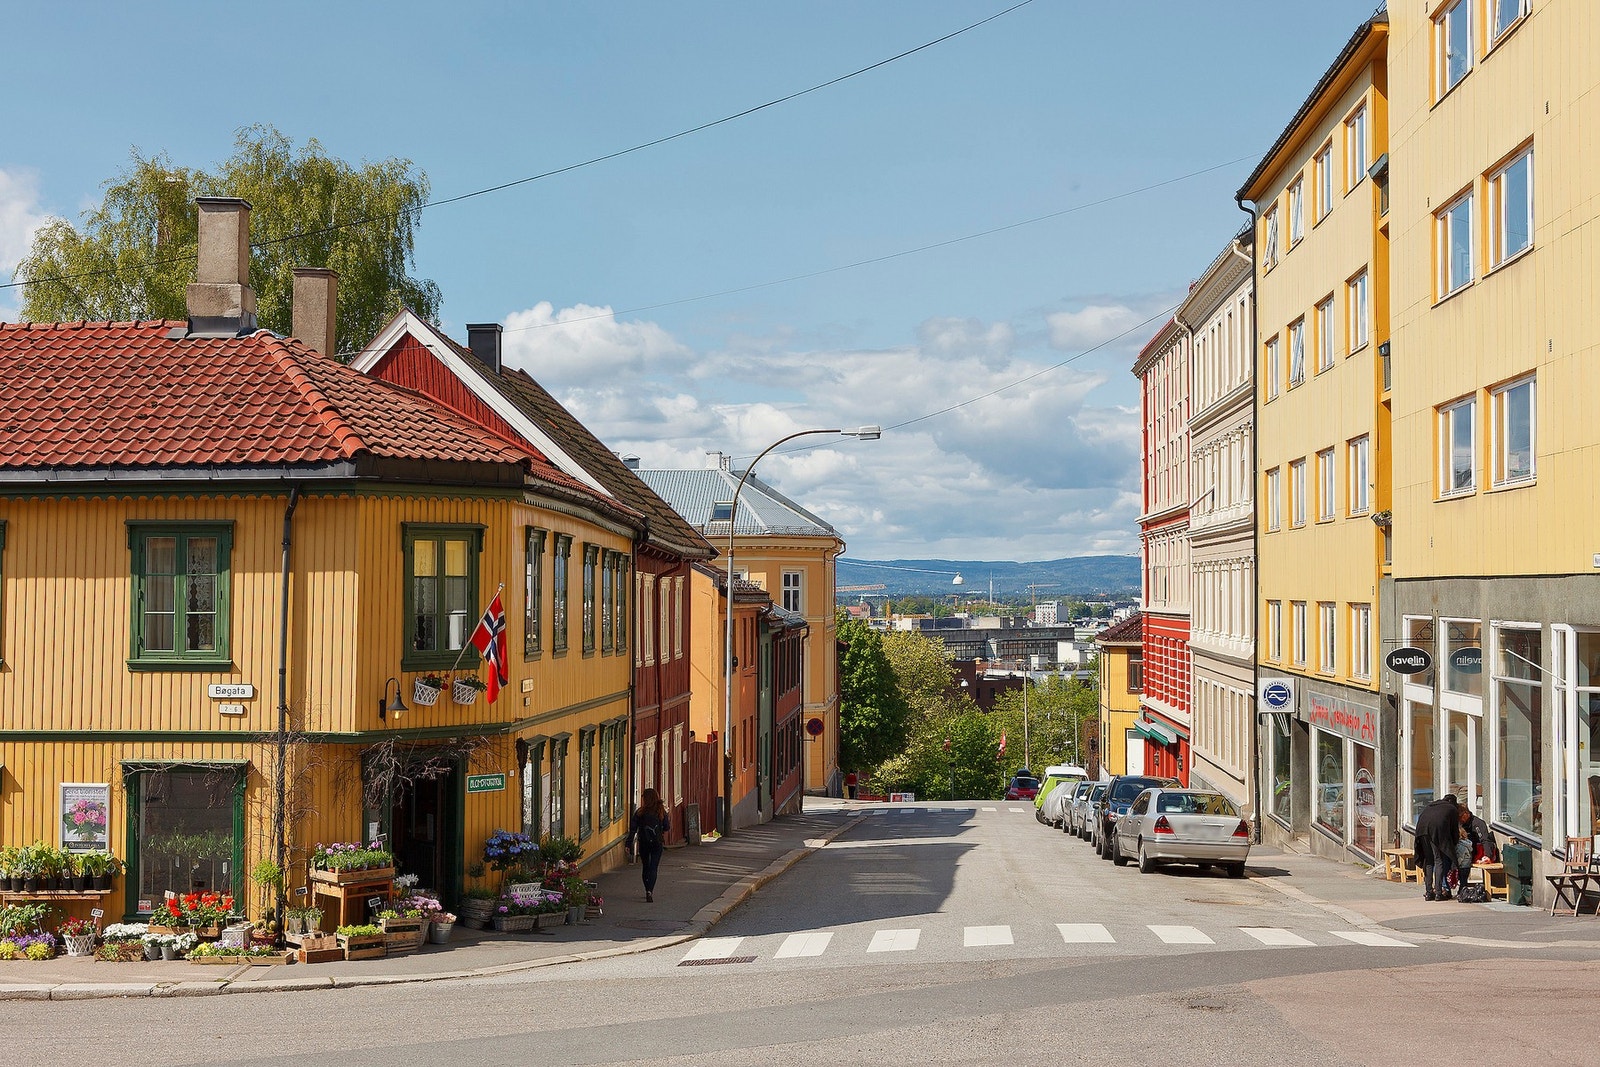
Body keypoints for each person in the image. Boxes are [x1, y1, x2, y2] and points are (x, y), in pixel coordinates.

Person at [624, 787, 670, 903]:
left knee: (646, 866)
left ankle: (646, 889)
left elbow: (633, 830)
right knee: (654, 867)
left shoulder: (640, 812)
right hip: (657, 843)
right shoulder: (661, 811)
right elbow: (667, 827)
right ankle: (650, 890)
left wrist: (628, 844)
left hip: (644, 842)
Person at [1413, 794, 1462, 901]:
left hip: (1421, 831)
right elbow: (1454, 830)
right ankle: (1439, 893)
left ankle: (1429, 892)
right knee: (1438, 860)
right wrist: (1453, 844)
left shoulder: (1431, 805)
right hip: (1436, 831)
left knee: (1429, 861)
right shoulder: (1452, 808)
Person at [1456, 803, 1498, 898]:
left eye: (1460, 817)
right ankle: (1461, 886)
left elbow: (1485, 840)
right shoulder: (1461, 823)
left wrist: (1488, 855)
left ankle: (1463, 886)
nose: (1460, 820)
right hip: (1467, 852)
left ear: (1466, 813)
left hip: (1478, 852)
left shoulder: (1477, 823)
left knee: (1464, 861)